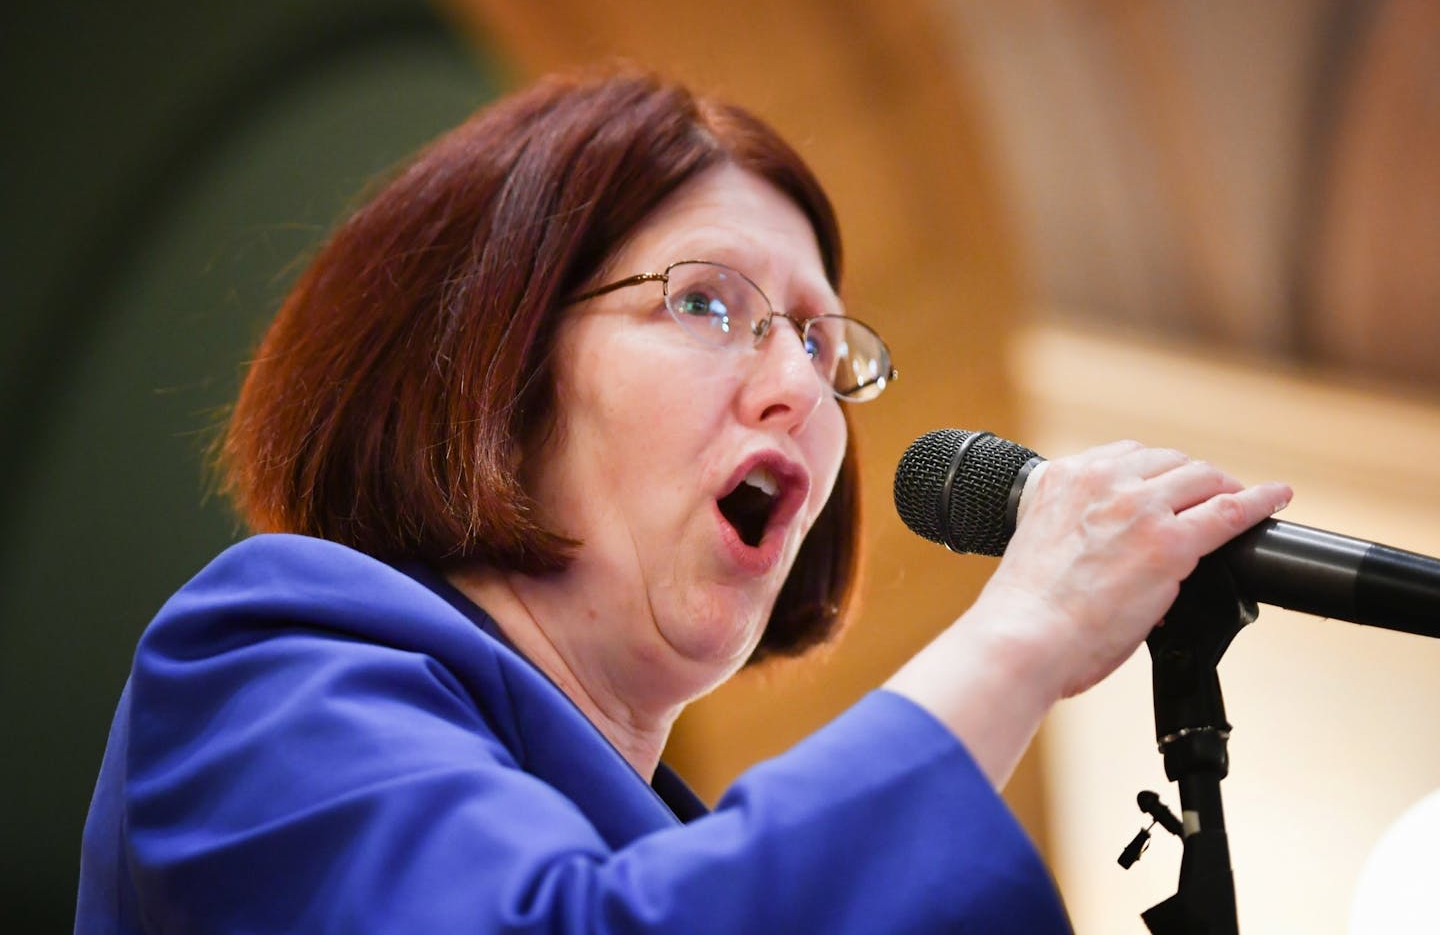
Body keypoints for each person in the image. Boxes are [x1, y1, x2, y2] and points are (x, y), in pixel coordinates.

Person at [75, 68, 1291, 933]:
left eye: (823, 346)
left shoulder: (685, 848)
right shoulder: (266, 654)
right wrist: (1025, 635)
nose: (796, 391)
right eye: (705, 303)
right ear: (492, 360)